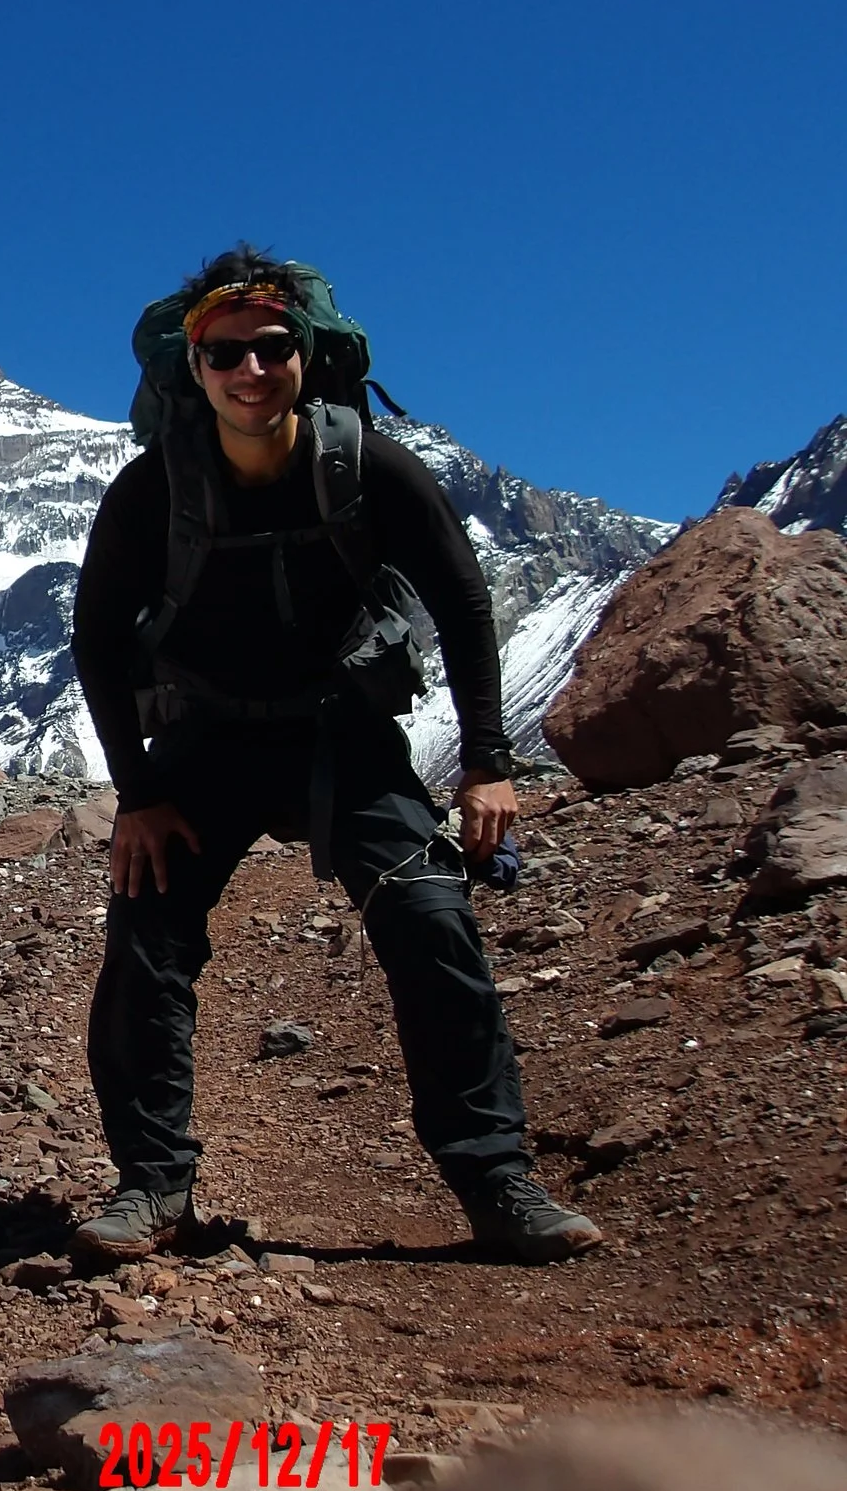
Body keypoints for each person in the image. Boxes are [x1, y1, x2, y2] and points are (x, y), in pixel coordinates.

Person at [66, 244, 602, 1264]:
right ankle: (151, 1188)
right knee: (146, 938)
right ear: (195, 366)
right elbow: (94, 636)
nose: (250, 370)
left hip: (339, 733)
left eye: (271, 347)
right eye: (226, 353)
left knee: (429, 918)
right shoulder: (151, 489)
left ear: (304, 354)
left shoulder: (368, 465)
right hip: (204, 739)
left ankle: (496, 1182)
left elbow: (461, 600)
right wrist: (136, 793)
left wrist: (488, 760)